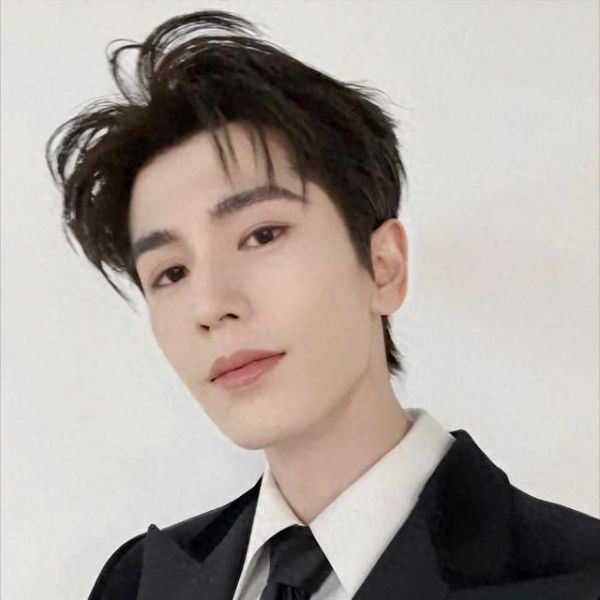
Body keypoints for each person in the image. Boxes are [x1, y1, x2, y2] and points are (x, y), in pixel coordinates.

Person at [45, 10, 600, 600]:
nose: (211, 306)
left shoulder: (576, 574)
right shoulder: (136, 581)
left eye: (262, 235)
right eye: (171, 272)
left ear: (383, 266)